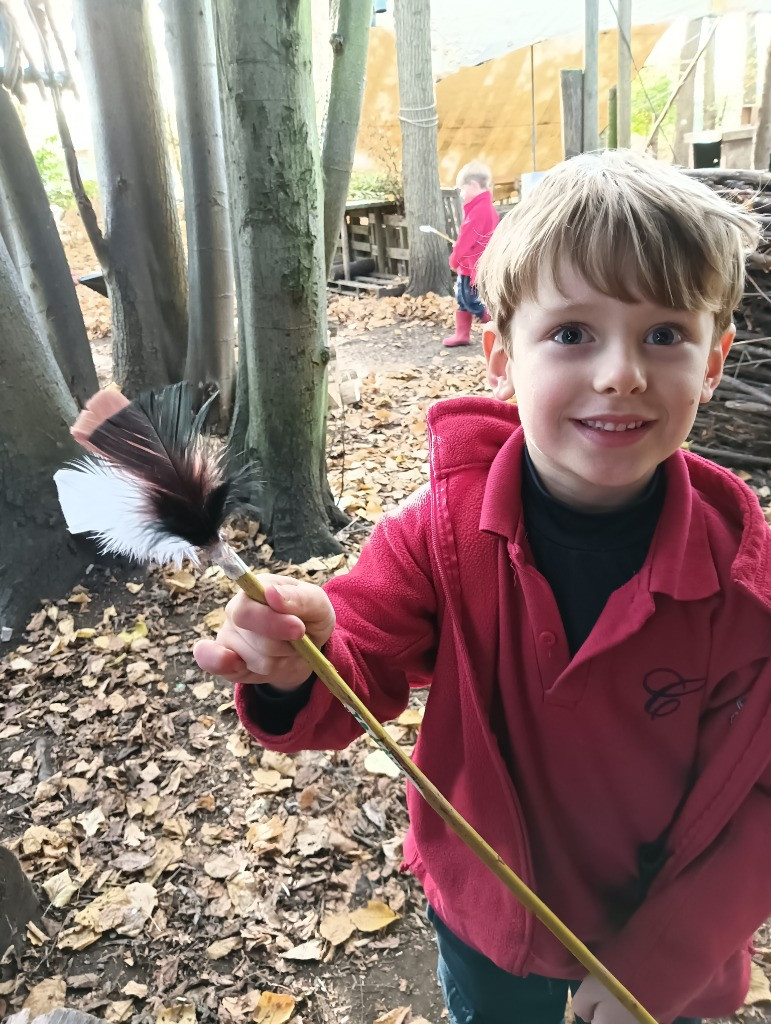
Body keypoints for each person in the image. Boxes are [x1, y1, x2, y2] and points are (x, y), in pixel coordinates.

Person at [193, 150, 771, 1024]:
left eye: (663, 334)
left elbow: (758, 806)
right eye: (572, 334)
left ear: (715, 359)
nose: (620, 372)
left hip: (667, 971)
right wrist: (300, 661)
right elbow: (360, 654)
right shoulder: (438, 533)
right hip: (488, 940)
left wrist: (650, 972)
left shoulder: (743, 590)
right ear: (500, 357)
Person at [443, 160, 499, 348]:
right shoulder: (481, 208)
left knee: (472, 301)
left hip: (472, 267)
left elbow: (466, 239)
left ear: (474, 185)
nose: (462, 193)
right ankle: (462, 334)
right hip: (468, 266)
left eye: (463, 189)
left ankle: (497, 328)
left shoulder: (480, 210)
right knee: (462, 300)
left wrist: (454, 258)